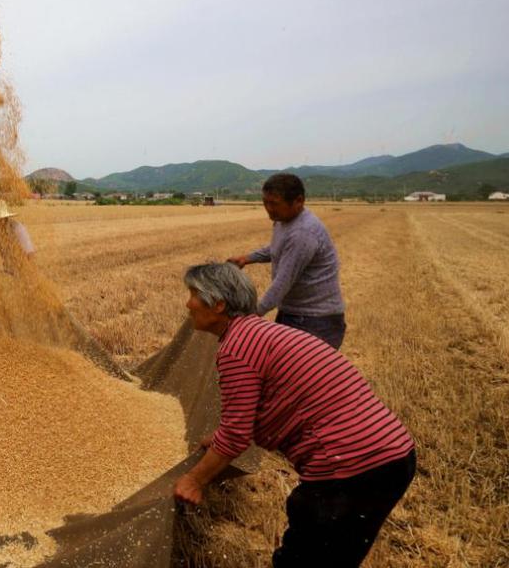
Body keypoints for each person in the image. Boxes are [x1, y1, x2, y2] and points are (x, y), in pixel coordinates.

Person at [174, 263, 416, 568]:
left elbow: (236, 435)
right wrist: (221, 438)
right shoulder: (262, 332)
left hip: (351, 468)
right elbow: (243, 420)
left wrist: (194, 480)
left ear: (219, 304)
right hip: (391, 455)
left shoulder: (236, 349)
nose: (188, 303)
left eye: (193, 294)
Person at [228, 172, 346, 348]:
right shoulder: (283, 220)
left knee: (302, 374)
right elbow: (277, 249)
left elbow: (282, 283)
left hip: (315, 320)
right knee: (283, 372)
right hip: (293, 313)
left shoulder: (303, 233)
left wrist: (251, 317)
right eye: (265, 202)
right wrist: (247, 258)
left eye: (274, 203)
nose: (268, 208)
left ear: (299, 201)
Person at [0, 199, 34, 273]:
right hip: (7, 271)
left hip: (22, 271)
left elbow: (30, 254)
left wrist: (29, 275)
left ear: (4, 218)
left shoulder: (18, 229)